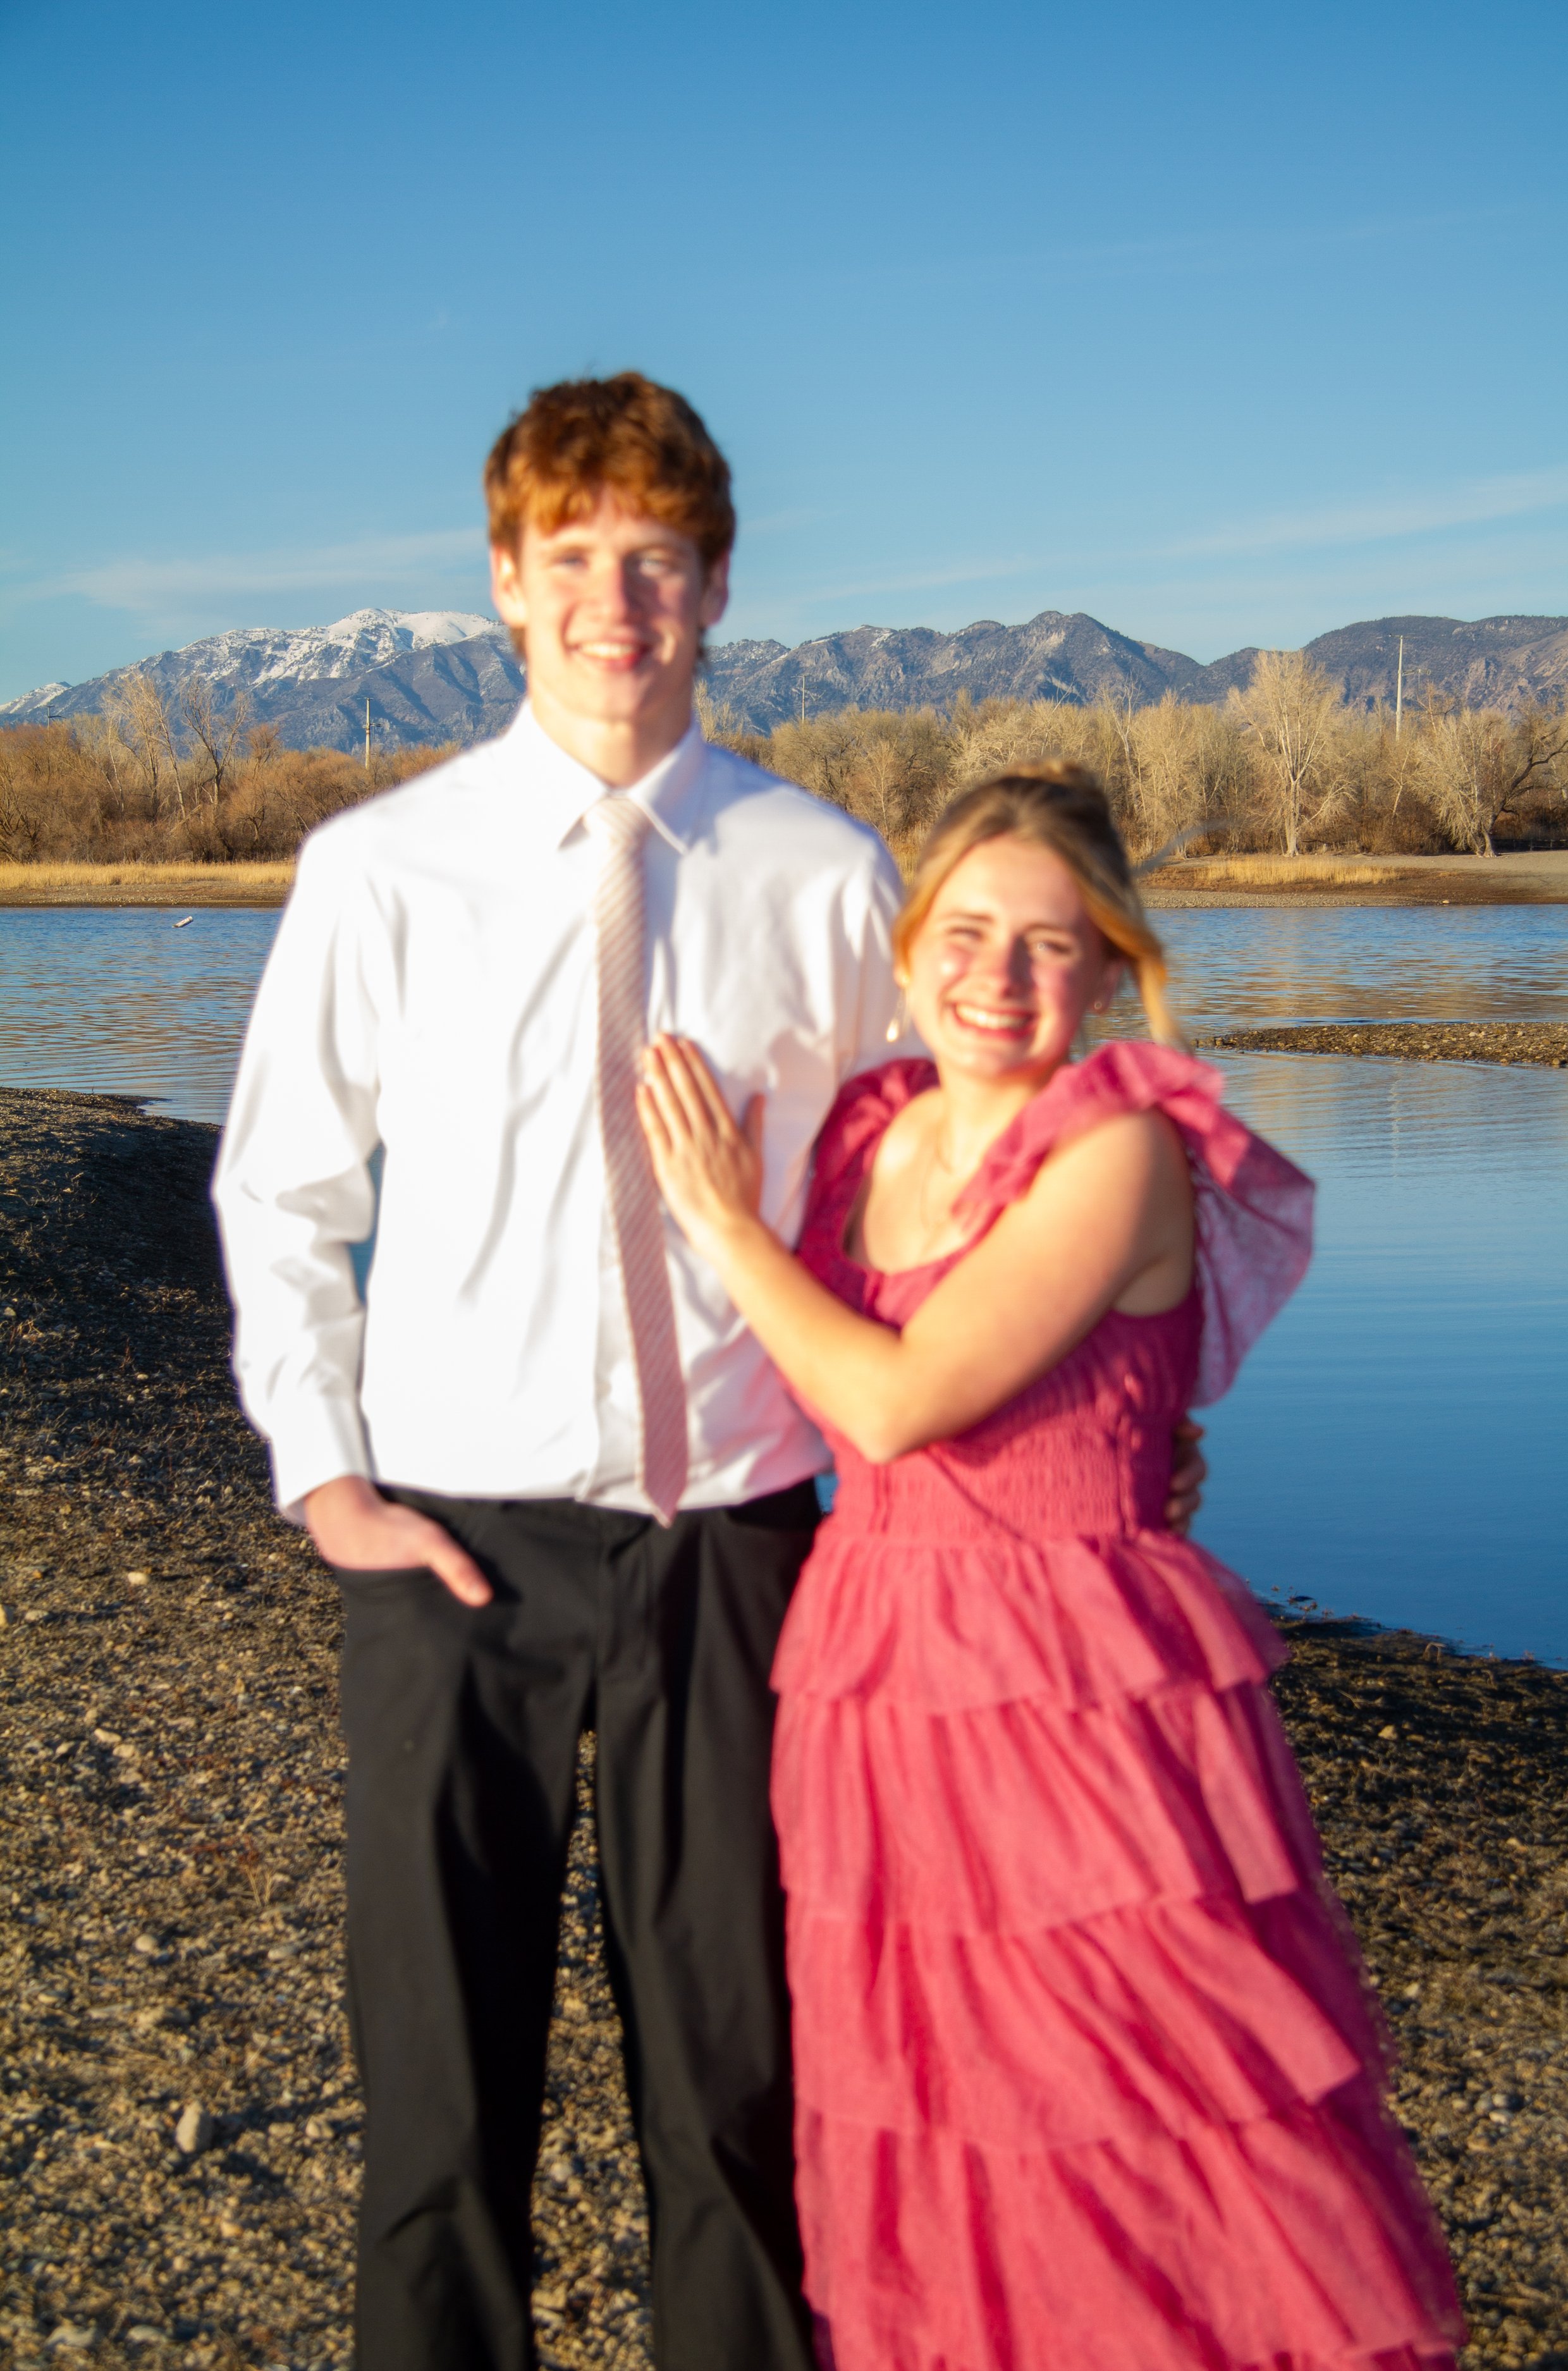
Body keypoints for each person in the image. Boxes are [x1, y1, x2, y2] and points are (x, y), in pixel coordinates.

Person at [212, 370, 1209, 2371]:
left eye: (654, 560)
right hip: (453, 1550)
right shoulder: (378, 866)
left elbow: (943, 1176)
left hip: (745, 1552)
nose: (615, 601)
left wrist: (1112, 1409)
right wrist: (330, 1481)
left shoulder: (821, 871)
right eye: (570, 559)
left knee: (739, 2095)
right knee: (437, 2096)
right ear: (501, 584)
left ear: (717, 583)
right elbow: (282, 1188)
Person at [638, 763, 1463, 2371]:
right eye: (962, 932)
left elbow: (888, 1396)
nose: (995, 979)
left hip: (1074, 1676)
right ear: (908, 943)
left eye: (1047, 942)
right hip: (872, 1658)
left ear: (1107, 966)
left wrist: (717, 1226)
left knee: (1125, 2070)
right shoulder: (872, 1128)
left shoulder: (1113, 1150)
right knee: (936, 2084)